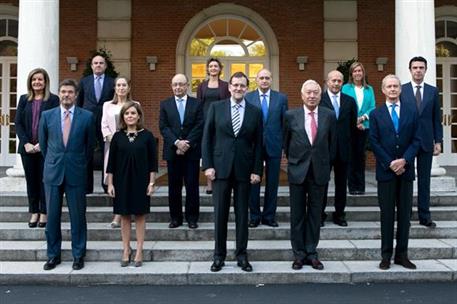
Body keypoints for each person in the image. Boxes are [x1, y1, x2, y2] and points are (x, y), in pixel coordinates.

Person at [202, 72, 263, 272]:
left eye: (242, 86)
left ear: (247, 88)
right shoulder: (216, 108)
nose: (238, 88)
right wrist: (208, 165)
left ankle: (242, 255)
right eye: (235, 85)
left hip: (244, 171)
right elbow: (207, 138)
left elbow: (258, 143)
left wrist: (256, 170)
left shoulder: (255, 111)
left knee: (242, 216)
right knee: (220, 214)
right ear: (229, 87)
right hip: (220, 169)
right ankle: (219, 256)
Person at [39, 79, 95, 271]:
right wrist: (55, 161)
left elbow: (90, 147)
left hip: (76, 172)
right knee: (52, 216)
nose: (66, 95)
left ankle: (78, 255)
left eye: (70, 92)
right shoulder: (47, 116)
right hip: (53, 172)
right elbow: (44, 145)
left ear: (76, 95)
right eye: (63, 92)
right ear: (59, 93)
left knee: (78, 217)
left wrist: (77, 162)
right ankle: (53, 255)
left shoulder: (87, 117)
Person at [284, 80, 336, 271]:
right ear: (302, 94)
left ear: (320, 95)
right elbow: (286, 143)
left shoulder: (329, 116)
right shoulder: (290, 116)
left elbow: (333, 143)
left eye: (315, 92)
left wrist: (324, 163)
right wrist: (296, 161)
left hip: (319, 172)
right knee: (297, 215)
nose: (312, 95)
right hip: (297, 172)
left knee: (315, 215)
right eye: (309, 92)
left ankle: (312, 253)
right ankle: (298, 255)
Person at [369, 74, 420, 270]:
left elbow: (417, 139)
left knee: (405, 215)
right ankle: (386, 255)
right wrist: (390, 162)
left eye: (395, 86)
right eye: (389, 86)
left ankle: (402, 255)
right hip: (386, 172)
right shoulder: (376, 114)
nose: (392, 89)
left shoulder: (411, 112)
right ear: (383, 90)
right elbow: (373, 141)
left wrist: (404, 160)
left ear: (400, 89)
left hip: (405, 171)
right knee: (387, 215)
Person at [107, 102, 158, 267]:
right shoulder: (117, 136)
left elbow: (153, 163)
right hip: (121, 181)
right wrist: (110, 184)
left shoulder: (147, 136)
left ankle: (139, 250)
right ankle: (125, 249)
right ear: (123, 117)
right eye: (127, 113)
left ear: (138, 116)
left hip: (141, 181)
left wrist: (151, 182)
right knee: (124, 216)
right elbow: (111, 164)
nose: (130, 116)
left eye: (133, 113)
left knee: (140, 216)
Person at [400, 56, 443, 228]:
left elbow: (436, 119)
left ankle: (425, 216)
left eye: (421, 67)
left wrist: (438, 141)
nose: (418, 70)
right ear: (410, 70)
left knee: (424, 181)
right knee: (407, 180)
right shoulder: (402, 90)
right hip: (408, 143)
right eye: (415, 67)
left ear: (426, 70)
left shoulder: (433, 91)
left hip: (426, 142)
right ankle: (406, 215)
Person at [15, 68, 59, 228]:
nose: (37, 82)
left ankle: (44, 212)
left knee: (43, 181)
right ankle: (34, 211)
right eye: (34, 80)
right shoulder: (24, 99)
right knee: (31, 181)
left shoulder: (53, 100)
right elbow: (18, 123)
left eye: (40, 79)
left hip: (45, 149)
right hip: (27, 149)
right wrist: (26, 143)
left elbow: (55, 123)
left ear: (45, 82)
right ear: (30, 82)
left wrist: (42, 143)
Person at [245, 68, 288, 228]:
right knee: (253, 181)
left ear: (271, 80)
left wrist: (284, 145)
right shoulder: (248, 97)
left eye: (267, 78)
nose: (264, 80)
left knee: (272, 182)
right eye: (261, 78)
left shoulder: (281, 98)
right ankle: (254, 216)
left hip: (274, 145)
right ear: (256, 80)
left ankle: (269, 216)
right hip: (253, 147)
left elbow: (285, 123)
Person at [159, 74, 203, 229]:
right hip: (173, 152)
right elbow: (163, 127)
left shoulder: (197, 104)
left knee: (192, 186)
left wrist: (187, 144)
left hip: (192, 152)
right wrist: (177, 143)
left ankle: (192, 218)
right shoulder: (165, 104)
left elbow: (199, 125)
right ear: (172, 86)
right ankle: (175, 218)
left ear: (187, 85)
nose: (177, 87)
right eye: (175, 84)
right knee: (174, 187)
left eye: (181, 84)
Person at [320, 70, 357, 227]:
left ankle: (339, 214)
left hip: (343, 149)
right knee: (322, 183)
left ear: (343, 83)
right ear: (327, 82)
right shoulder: (319, 99)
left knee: (341, 184)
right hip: (324, 149)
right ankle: (319, 214)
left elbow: (352, 127)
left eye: (339, 81)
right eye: (333, 80)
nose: (336, 84)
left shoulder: (349, 101)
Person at [77, 54, 115, 194]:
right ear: (92, 66)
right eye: (95, 63)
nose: (98, 65)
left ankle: (107, 185)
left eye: (101, 63)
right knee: (87, 153)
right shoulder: (84, 82)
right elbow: (79, 103)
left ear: (105, 66)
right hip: (87, 122)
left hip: (106, 122)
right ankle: (87, 186)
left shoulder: (112, 82)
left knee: (107, 153)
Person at [101, 76, 136, 228]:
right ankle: (119, 213)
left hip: (130, 147)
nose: (121, 88)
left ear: (128, 88)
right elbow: (103, 125)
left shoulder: (135, 104)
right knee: (114, 180)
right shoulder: (107, 105)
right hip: (112, 147)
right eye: (118, 85)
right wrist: (111, 138)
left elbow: (138, 125)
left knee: (128, 179)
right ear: (115, 88)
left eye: (124, 85)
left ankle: (121, 215)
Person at [197, 58, 231, 194]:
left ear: (220, 69)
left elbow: (229, 104)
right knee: (207, 151)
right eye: (211, 66)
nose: (213, 68)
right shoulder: (201, 86)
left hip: (220, 122)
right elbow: (199, 106)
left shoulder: (225, 85)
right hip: (206, 122)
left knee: (221, 150)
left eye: (215, 66)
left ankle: (223, 179)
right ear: (207, 69)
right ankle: (209, 184)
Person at [342, 62, 376, 195]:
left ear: (363, 73)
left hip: (364, 126)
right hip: (350, 127)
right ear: (351, 74)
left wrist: (362, 118)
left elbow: (372, 106)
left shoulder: (369, 89)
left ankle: (360, 187)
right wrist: (354, 121)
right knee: (351, 157)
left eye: (359, 71)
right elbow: (344, 106)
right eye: (355, 71)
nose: (357, 73)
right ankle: (352, 187)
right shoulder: (345, 88)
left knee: (361, 157)